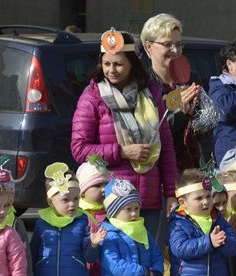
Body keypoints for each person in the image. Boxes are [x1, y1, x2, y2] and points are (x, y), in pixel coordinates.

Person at [71, 29, 177, 242]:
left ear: (132, 63)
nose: (111, 70)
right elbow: (79, 149)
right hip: (112, 200)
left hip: (148, 200)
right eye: (106, 63)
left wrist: (172, 192)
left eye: (118, 64)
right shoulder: (92, 97)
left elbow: (165, 148)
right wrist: (122, 152)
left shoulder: (150, 94)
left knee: (148, 264)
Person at [140, 13, 204, 171]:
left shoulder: (191, 77)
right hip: (161, 170)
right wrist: (180, 113)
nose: (175, 50)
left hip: (195, 168)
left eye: (179, 44)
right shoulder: (143, 84)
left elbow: (206, 132)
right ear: (149, 47)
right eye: (167, 44)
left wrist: (197, 114)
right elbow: (149, 136)